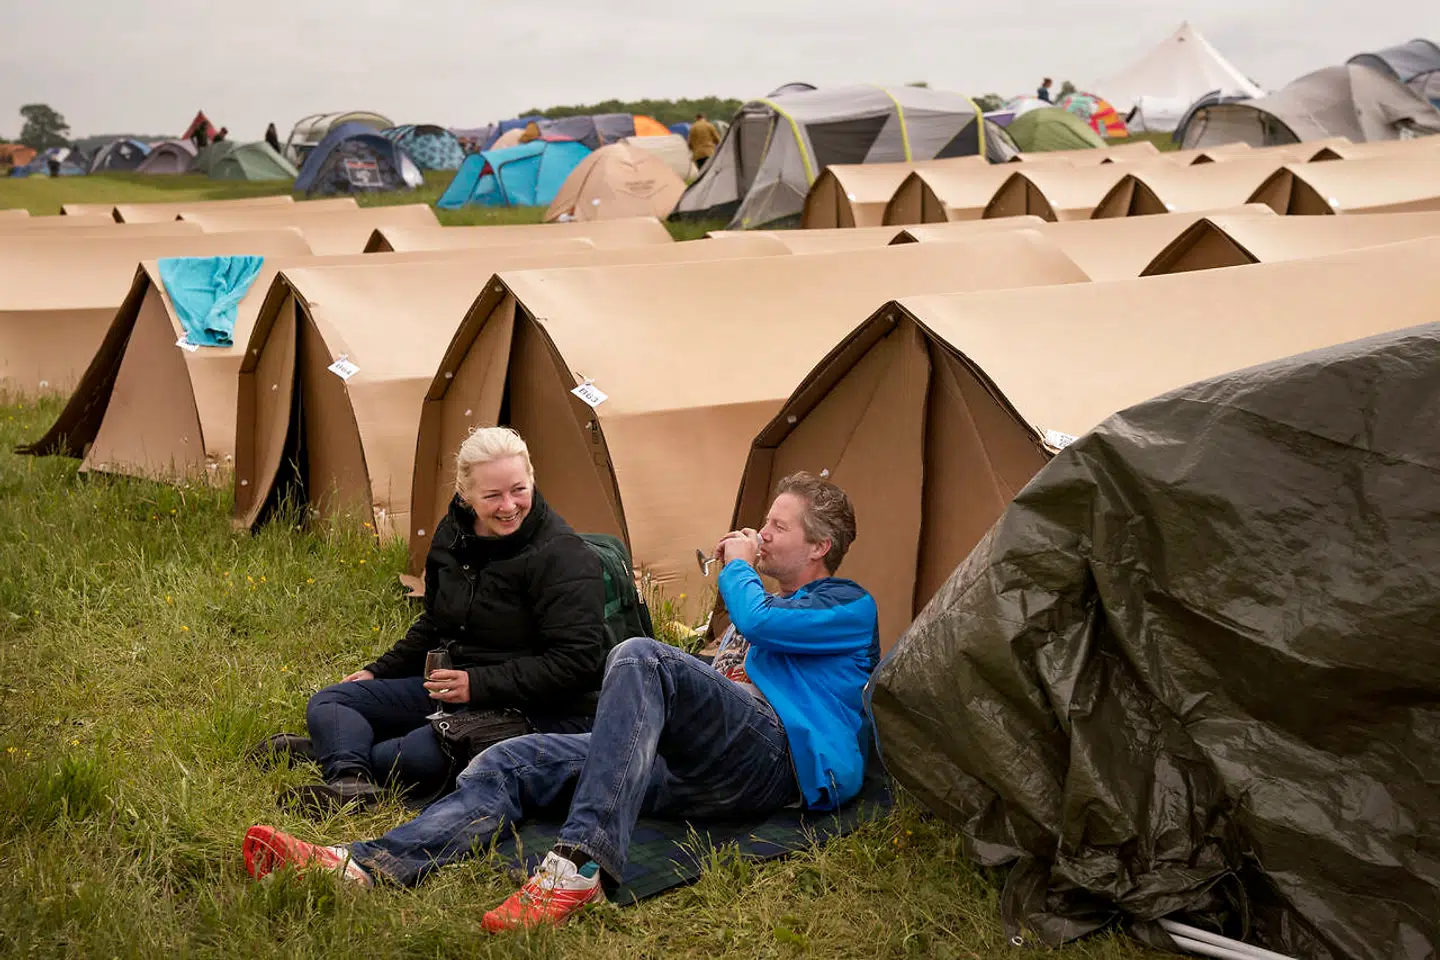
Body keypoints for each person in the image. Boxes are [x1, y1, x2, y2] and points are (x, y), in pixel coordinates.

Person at [241, 472, 879, 933]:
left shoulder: (848, 605)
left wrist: (736, 565)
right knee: (513, 758)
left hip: (775, 762)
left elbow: (765, 628)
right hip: (697, 769)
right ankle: (360, 866)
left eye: (777, 525)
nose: (759, 534)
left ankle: (579, 864)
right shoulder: (763, 608)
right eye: (761, 524)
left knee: (639, 652)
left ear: (819, 547)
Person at [250, 427, 609, 812]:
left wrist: (477, 684)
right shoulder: (453, 536)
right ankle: (348, 780)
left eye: (518, 490)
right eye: (492, 495)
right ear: (466, 494)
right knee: (333, 701)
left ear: (532, 480)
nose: (508, 505)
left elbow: (579, 664)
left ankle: (339, 748)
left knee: (401, 756)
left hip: (533, 710)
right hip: (451, 690)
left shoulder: (564, 557)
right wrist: (379, 671)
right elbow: (436, 621)